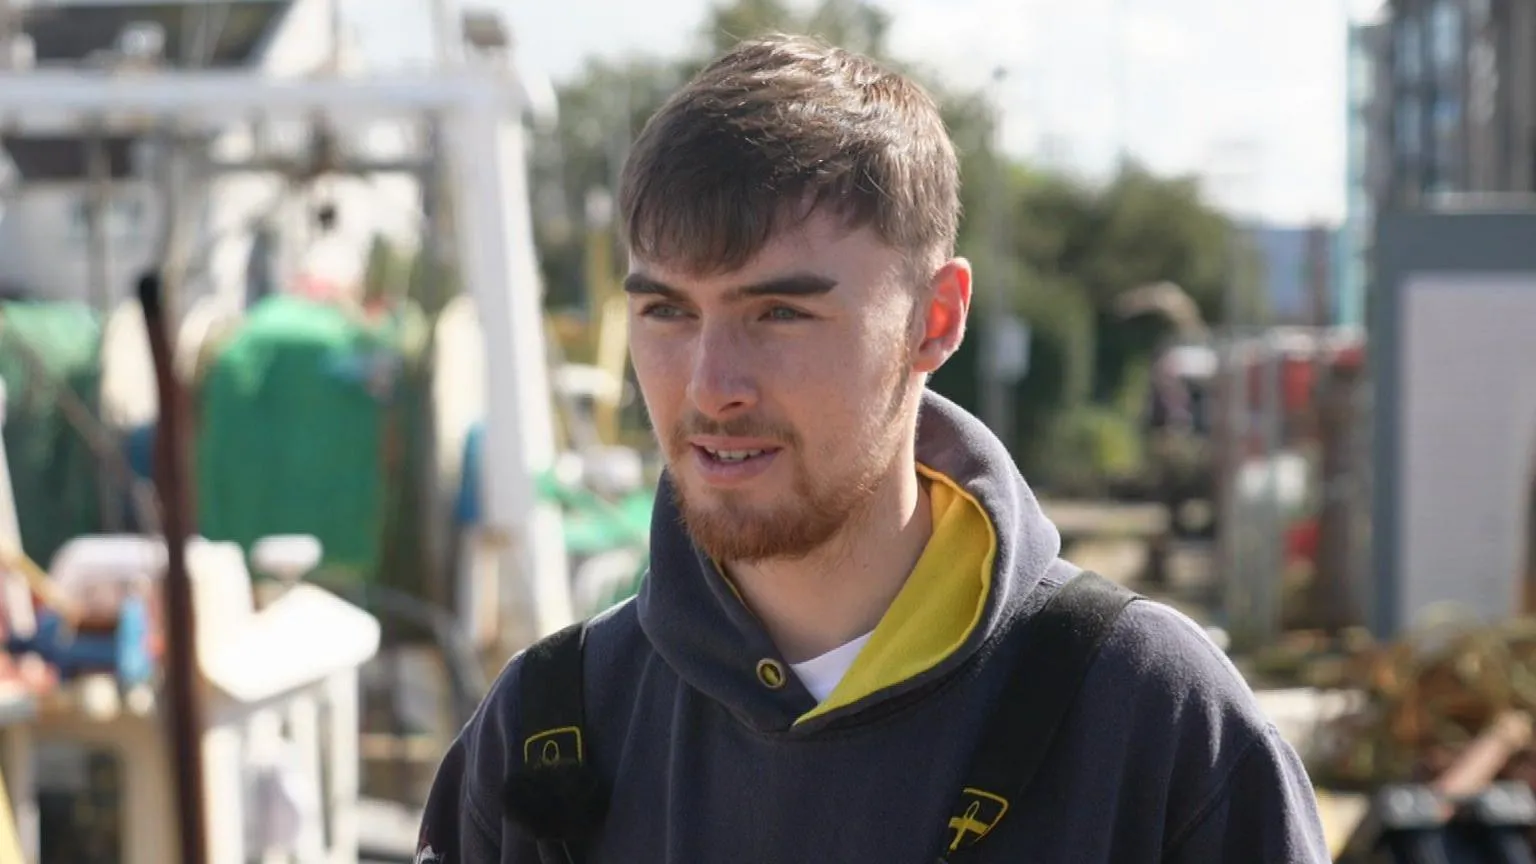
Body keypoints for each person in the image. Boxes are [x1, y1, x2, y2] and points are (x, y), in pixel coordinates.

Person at [417, 33, 1330, 863]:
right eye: (667, 311)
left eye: (779, 312)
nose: (709, 385)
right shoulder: (544, 730)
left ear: (935, 320)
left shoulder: (1152, 721)